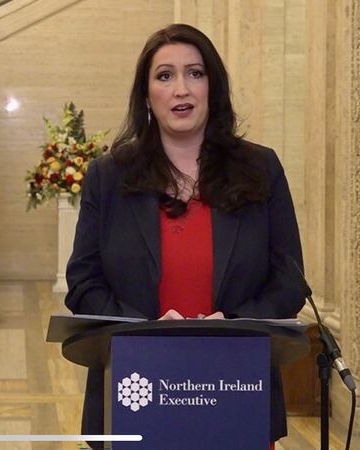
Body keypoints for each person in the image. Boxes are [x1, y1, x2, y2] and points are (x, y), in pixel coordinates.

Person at [64, 24, 305, 448]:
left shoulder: (261, 168)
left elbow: (288, 281)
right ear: (146, 95)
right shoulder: (109, 176)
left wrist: (233, 325)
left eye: (195, 73)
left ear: (214, 87)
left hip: (236, 380)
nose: (181, 89)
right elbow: (83, 284)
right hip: (136, 384)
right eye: (165, 76)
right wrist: (147, 330)